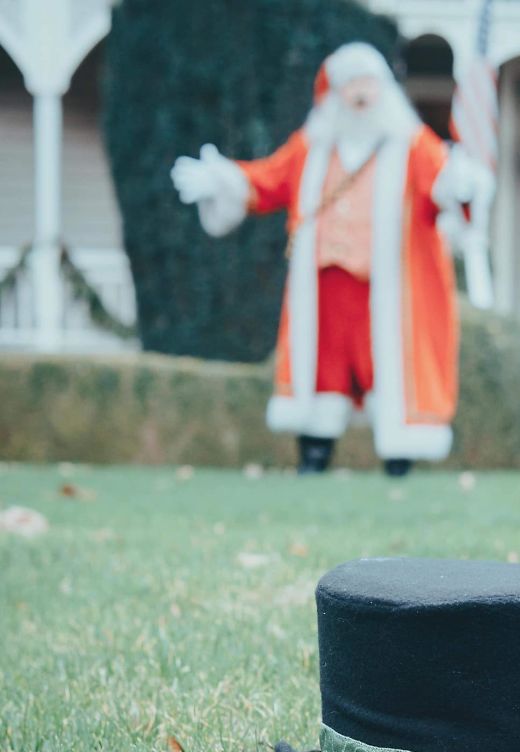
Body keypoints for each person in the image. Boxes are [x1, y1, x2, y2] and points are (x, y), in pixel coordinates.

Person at [171, 42, 482, 475]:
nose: (360, 94)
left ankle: (398, 458)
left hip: (390, 290)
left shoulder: (413, 146)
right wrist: (222, 179)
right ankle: (314, 457)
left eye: (368, 82)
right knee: (323, 372)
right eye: (350, 83)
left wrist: (462, 184)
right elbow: (268, 179)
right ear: (333, 93)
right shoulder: (311, 148)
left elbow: (443, 189)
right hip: (324, 288)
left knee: (389, 370)